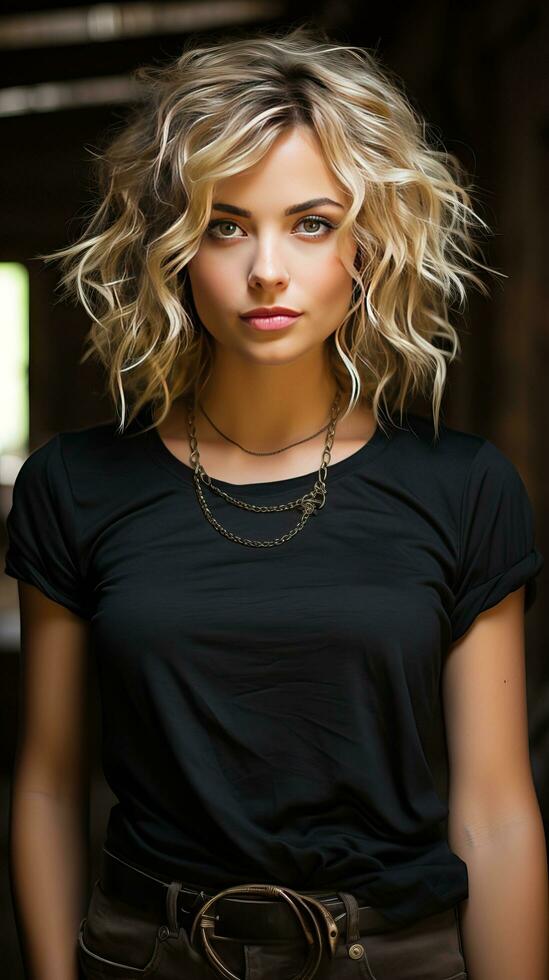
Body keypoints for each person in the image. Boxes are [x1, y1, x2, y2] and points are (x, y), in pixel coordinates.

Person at [4, 22, 548, 980]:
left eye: (310, 222)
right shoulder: (74, 486)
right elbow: (48, 782)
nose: (266, 268)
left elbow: (496, 812)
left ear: (367, 247)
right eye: (225, 224)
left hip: (395, 958)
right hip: (151, 956)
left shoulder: (463, 487)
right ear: (172, 249)